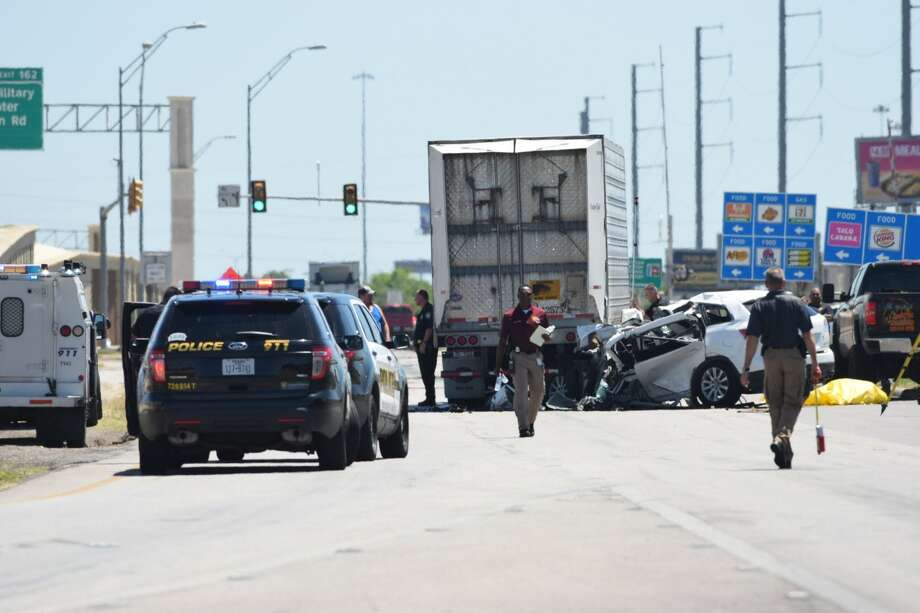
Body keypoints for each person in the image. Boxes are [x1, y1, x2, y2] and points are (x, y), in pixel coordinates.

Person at [740, 268, 822, 469]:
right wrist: (816, 364)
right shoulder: (797, 304)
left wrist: (746, 368)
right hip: (794, 357)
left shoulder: (760, 306)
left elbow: (752, 339)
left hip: (771, 358)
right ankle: (781, 438)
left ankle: (784, 452)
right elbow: (807, 337)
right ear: (784, 284)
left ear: (767, 284)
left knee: (775, 402)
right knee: (792, 402)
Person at [496, 285, 551, 438]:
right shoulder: (509, 316)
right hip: (518, 356)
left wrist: (538, 328)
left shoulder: (540, 314)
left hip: (535, 356)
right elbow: (502, 341)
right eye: (522, 295)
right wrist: (498, 364)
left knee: (539, 392)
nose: (525, 297)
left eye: (528, 295)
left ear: (532, 296)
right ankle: (523, 427)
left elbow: (546, 338)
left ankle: (530, 421)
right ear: (518, 296)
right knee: (520, 392)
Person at [413, 289, 437, 407]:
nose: (415, 299)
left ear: (422, 297)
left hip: (427, 347)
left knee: (428, 373)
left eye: (416, 297)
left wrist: (423, 343)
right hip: (423, 346)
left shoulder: (428, 310)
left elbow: (429, 328)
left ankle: (431, 399)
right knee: (425, 373)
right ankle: (429, 398)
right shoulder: (423, 310)